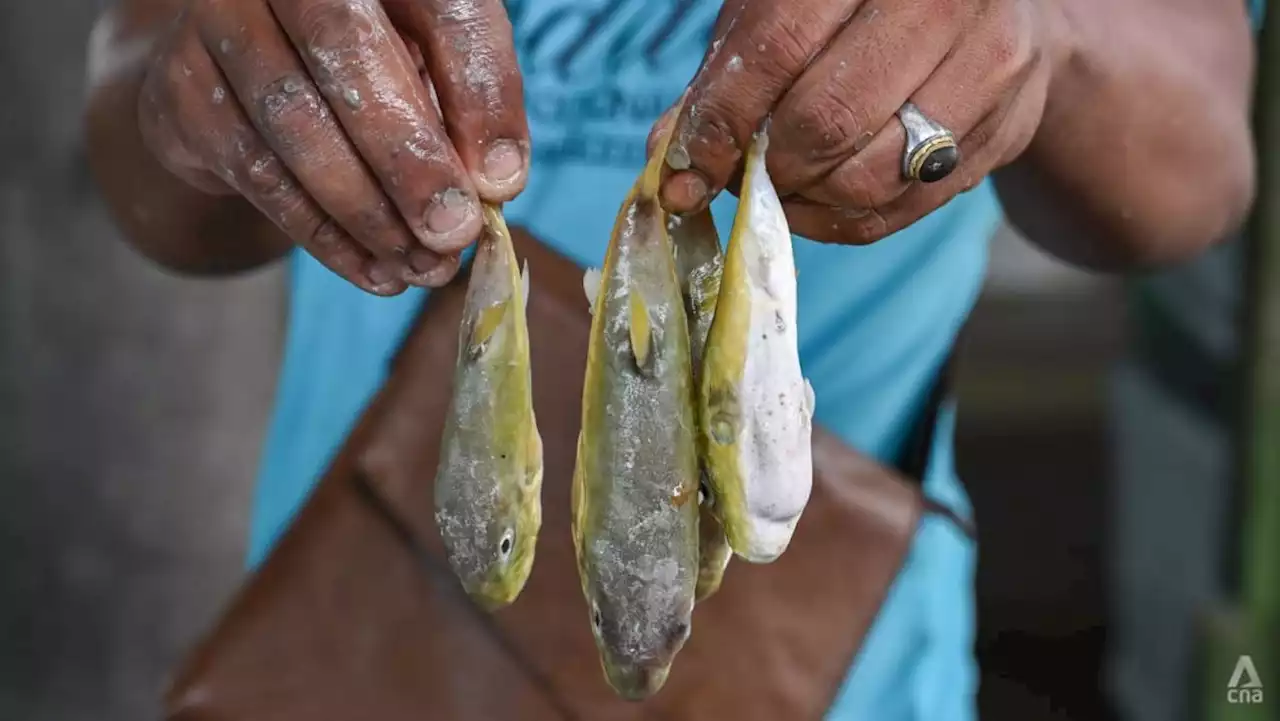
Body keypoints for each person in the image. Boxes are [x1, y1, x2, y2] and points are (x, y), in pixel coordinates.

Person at [84, 0, 1257, 718]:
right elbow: (138, 144)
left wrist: (1038, 31)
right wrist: (207, 88)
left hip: (837, 679)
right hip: (353, 652)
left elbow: (1201, 159)